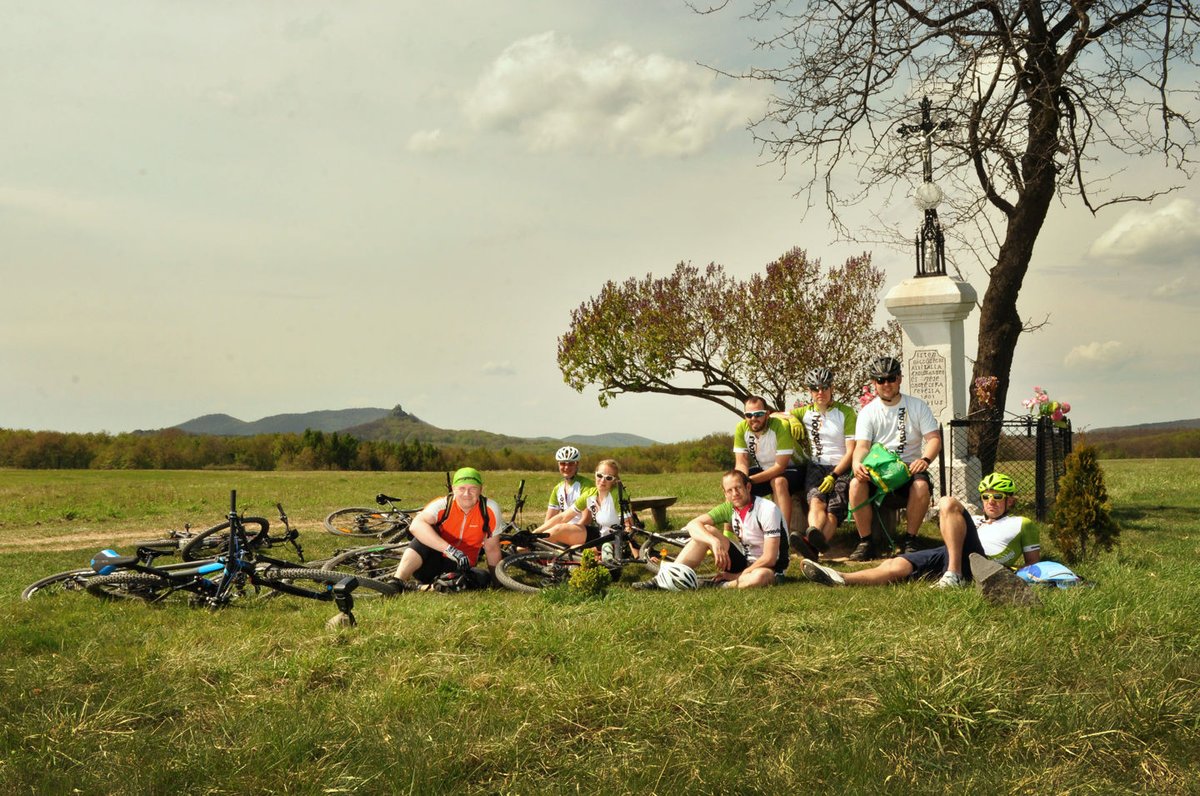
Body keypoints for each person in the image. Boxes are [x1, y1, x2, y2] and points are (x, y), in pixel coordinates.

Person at [801, 472, 1040, 588]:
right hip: (950, 552)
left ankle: (953, 576)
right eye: (986, 496)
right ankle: (841, 578)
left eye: (998, 497)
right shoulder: (976, 519)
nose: (991, 501)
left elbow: (1034, 567)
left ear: (1011, 501)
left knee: (947, 501)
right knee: (896, 565)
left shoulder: (1021, 523)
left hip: (982, 561)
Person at [847, 355, 942, 561]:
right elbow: (862, 446)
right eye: (880, 380)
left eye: (891, 378)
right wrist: (856, 464)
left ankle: (910, 540)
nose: (886, 384)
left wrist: (924, 459)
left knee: (921, 486)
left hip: (909, 467)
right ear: (874, 384)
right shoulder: (868, 412)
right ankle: (866, 542)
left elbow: (934, 439)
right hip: (879, 469)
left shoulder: (917, 406)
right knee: (856, 484)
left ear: (899, 378)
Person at [641, 470, 788, 589]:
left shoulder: (767, 509)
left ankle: (719, 586)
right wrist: (713, 542)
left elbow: (769, 558)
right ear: (725, 493)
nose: (735, 493)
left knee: (760, 577)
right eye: (729, 490)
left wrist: (737, 576)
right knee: (706, 530)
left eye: (738, 488)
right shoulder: (730, 507)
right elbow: (693, 524)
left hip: (771, 567)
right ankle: (665, 578)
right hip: (745, 560)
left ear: (748, 487)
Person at [392, 467, 504, 590]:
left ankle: (423, 588)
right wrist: (450, 550)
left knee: (483, 578)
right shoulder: (443, 505)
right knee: (426, 532)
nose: (467, 494)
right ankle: (397, 583)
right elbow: (416, 526)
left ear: (481, 489)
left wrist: (498, 583)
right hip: (430, 562)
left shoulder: (489, 509)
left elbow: (492, 549)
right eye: (462, 488)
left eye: (473, 488)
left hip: (461, 566)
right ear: (453, 489)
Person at [787, 367, 856, 560]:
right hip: (816, 465)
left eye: (825, 387)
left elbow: (851, 451)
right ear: (809, 391)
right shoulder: (805, 412)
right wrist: (792, 418)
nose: (820, 392)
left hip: (840, 466)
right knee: (816, 501)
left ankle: (810, 548)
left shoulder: (846, 413)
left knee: (833, 510)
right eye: (815, 388)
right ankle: (813, 535)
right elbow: (773, 414)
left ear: (832, 388)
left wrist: (835, 475)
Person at [733, 395, 805, 534]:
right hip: (766, 469)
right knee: (733, 482)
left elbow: (780, 467)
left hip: (794, 468)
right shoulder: (741, 428)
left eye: (758, 414)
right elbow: (741, 462)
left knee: (778, 482)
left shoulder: (780, 426)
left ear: (767, 414)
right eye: (749, 415)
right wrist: (740, 481)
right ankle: (735, 533)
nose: (754, 418)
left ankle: (783, 535)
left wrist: (750, 481)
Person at [531, 458, 633, 548]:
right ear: (595, 474)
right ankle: (528, 544)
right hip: (599, 535)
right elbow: (563, 517)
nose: (602, 480)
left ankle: (530, 550)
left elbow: (629, 528)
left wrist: (637, 556)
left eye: (608, 478)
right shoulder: (590, 494)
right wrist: (535, 533)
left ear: (614, 480)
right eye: (599, 475)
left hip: (615, 541)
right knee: (559, 529)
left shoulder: (617, 494)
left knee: (575, 549)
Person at [545, 445, 586, 524]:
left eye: (571, 463)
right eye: (563, 463)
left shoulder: (586, 485)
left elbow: (586, 519)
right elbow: (548, 520)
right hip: (564, 530)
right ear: (558, 465)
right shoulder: (558, 489)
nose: (566, 467)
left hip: (583, 530)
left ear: (577, 464)